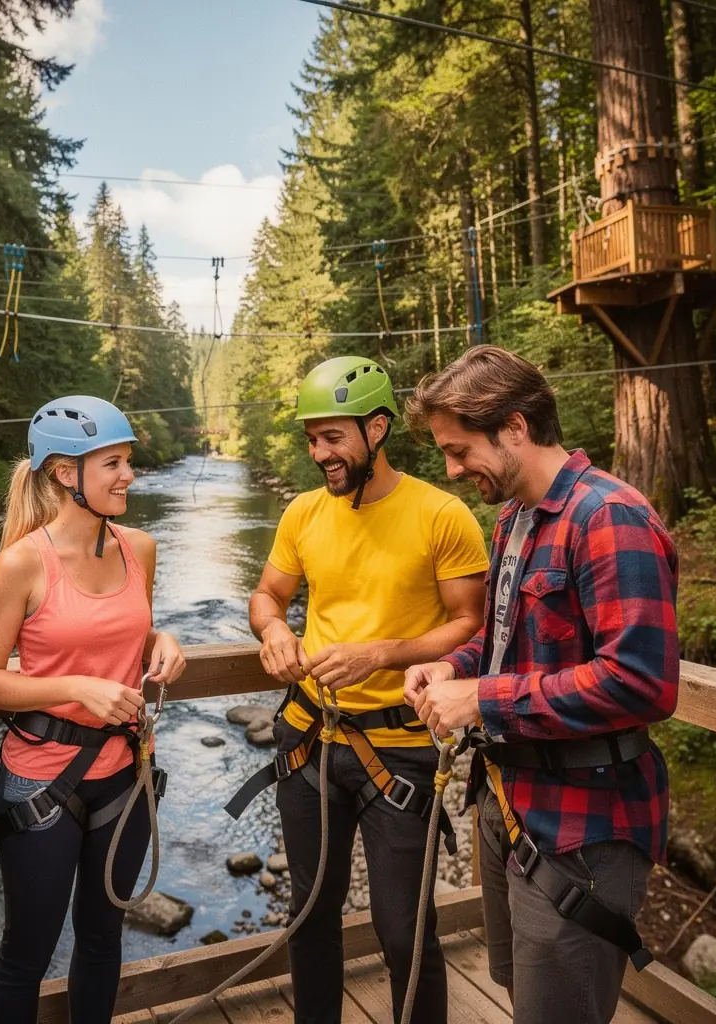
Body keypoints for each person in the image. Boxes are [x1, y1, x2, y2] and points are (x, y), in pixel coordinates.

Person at [403, 345, 679, 1024]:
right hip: (511, 805)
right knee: (527, 995)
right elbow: (504, 646)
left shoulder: (610, 518)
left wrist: (481, 699)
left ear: (516, 428)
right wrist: (455, 669)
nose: (451, 469)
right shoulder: (515, 520)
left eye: (459, 449)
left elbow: (642, 683)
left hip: (583, 830)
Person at [240, 356, 489, 1024]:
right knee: (310, 910)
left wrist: (380, 653)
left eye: (333, 437)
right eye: (311, 439)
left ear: (377, 428)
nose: (319, 452)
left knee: (404, 927)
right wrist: (272, 632)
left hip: (400, 748)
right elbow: (267, 594)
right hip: (309, 741)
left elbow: (471, 622)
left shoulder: (443, 515)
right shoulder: (302, 514)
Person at [0, 395, 187, 1024]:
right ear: (65, 473)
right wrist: (77, 688)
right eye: (112, 463)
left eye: (128, 462)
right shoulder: (20, 563)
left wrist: (161, 639)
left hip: (125, 772)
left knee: (101, 939)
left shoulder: (138, 547)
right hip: (41, 778)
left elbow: (126, 629)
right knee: (27, 954)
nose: (128, 476)